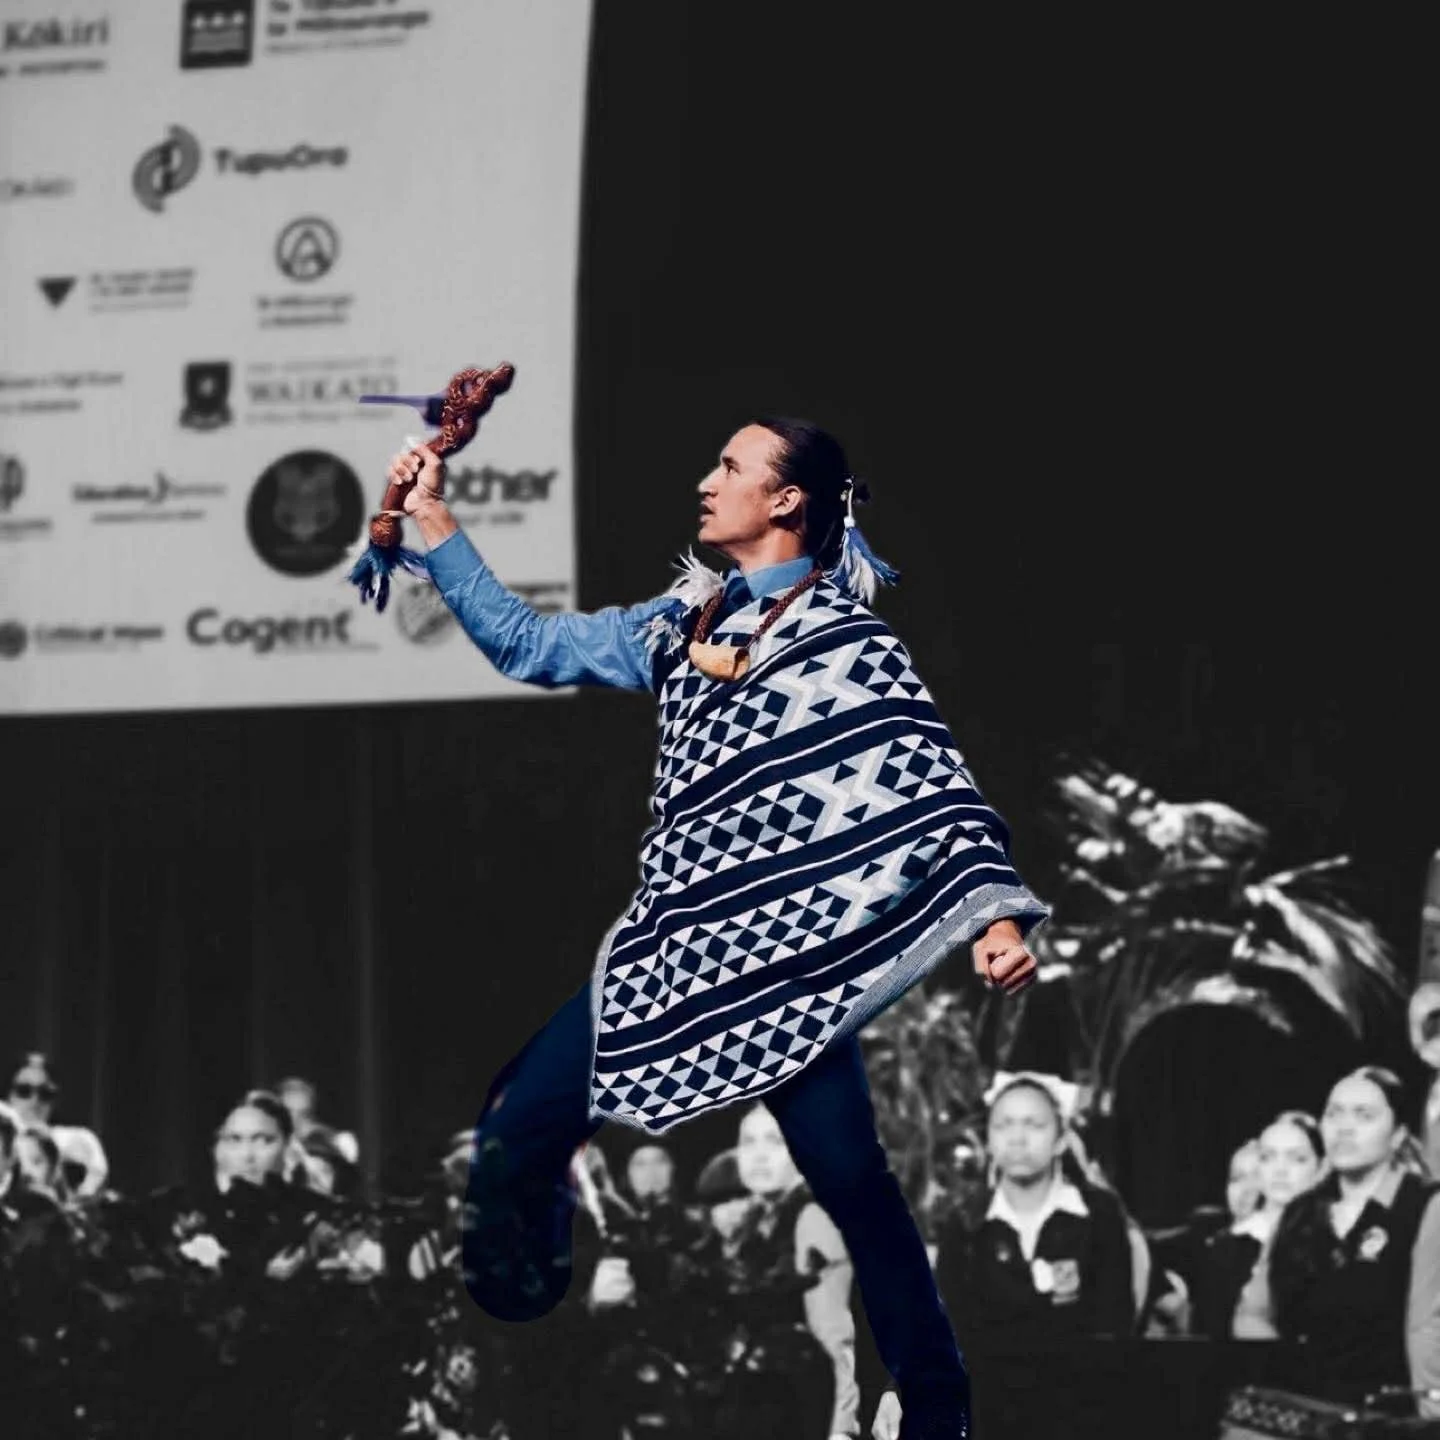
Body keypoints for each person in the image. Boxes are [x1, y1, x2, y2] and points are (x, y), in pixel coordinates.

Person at [387, 414, 1050, 1439]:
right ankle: (529, 1305)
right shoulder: (681, 622)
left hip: (787, 970)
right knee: (518, 1117)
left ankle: (936, 1408)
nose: (706, 481)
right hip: (672, 950)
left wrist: (994, 920)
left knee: (851, 1184)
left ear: (785, 501)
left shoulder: (847, 641)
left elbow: (930, 782)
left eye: (730, 467)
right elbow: (529, 642)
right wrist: (431, 516)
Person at [1256, 1067, 1440, 1414]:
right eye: (1333, 1114)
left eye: (1364, 1115)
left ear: (1399, 1133)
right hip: (1299, 1409)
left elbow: (1427, 1327)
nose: (1344, 1127)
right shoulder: (1298, 1212)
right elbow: (1255, 1313)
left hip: (1387, 1414)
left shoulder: (1424, 1207)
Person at [1194, 1111, 1322, 1340]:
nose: (1280, 1170)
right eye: (1268, 1157)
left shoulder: (1333, 1243)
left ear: (1321, 1166)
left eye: (1297, 1158)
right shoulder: (1225, 1248)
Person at [7, 1053, 108, 1196]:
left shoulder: (77, 1139)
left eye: (45, 1093)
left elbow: (95, 1181)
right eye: (24, 1091)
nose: (34, 1101)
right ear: (8, 1095)